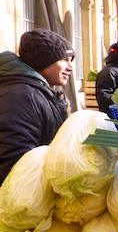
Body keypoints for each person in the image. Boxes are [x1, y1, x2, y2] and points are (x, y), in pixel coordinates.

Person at [0, 29, 75, 180]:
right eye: (64, 59)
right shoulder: (21, 97)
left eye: (71, 60)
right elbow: (15, 163)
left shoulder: (39, 92)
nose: (70, 67)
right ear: (43, 61)